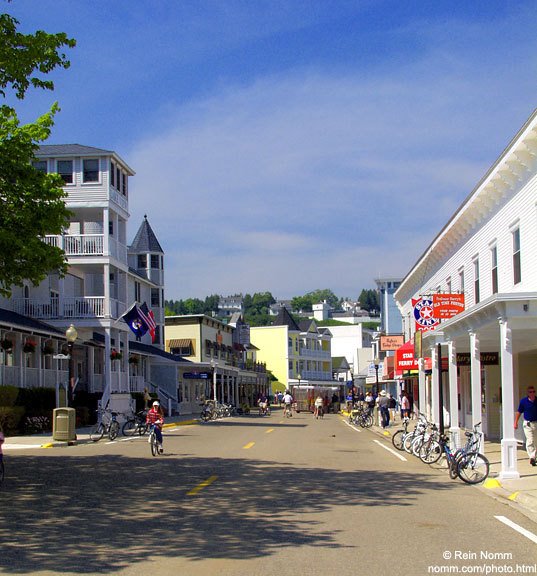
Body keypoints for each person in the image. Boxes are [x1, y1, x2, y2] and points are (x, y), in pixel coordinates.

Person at [514, 385, 537, 466]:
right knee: (530, 440)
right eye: (530, 392)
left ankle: (533, 456)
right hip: (528, 424)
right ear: (528, 393)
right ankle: (532, 457)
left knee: (536, 442)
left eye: (534, 391)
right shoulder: (523, 401)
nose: (532, 393)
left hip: (536, 423)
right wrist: (515, 422)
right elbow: (519, 412)